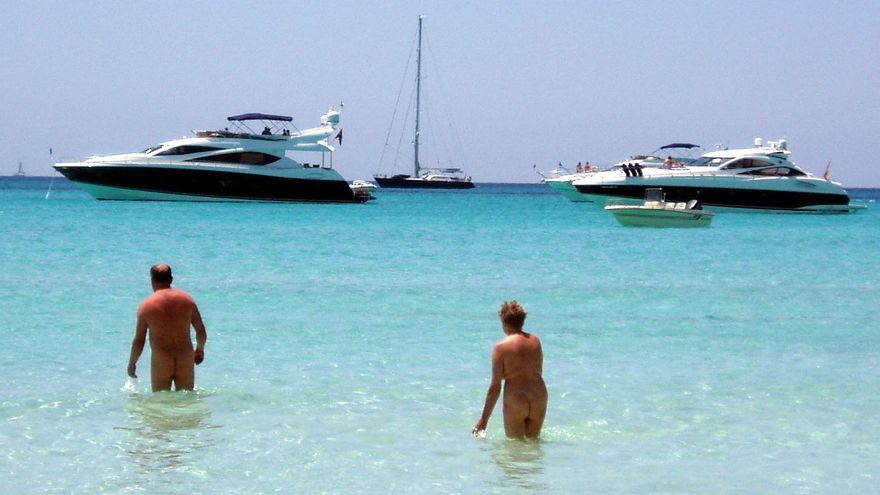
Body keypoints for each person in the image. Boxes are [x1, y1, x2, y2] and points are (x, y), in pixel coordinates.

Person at [473, 301, 547, 439]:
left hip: (516, 400)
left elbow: (495, 387)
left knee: (515, 448)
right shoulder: (536, 341)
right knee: (533, 445)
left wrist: (484, 419)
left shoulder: (501, 347)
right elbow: (537, 370)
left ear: (504, 323)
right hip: (539, 397)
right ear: (522, 321)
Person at [127, 264, 207, 392]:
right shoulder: (187, 301)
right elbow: (201, 331)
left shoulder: (146, 306)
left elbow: (139, 341)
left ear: (152, 280)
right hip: (185, 359)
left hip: (161, 360)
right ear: (171, 279)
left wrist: (132, 363)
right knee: (187, 403)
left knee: (160, 403)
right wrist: (200, 350)